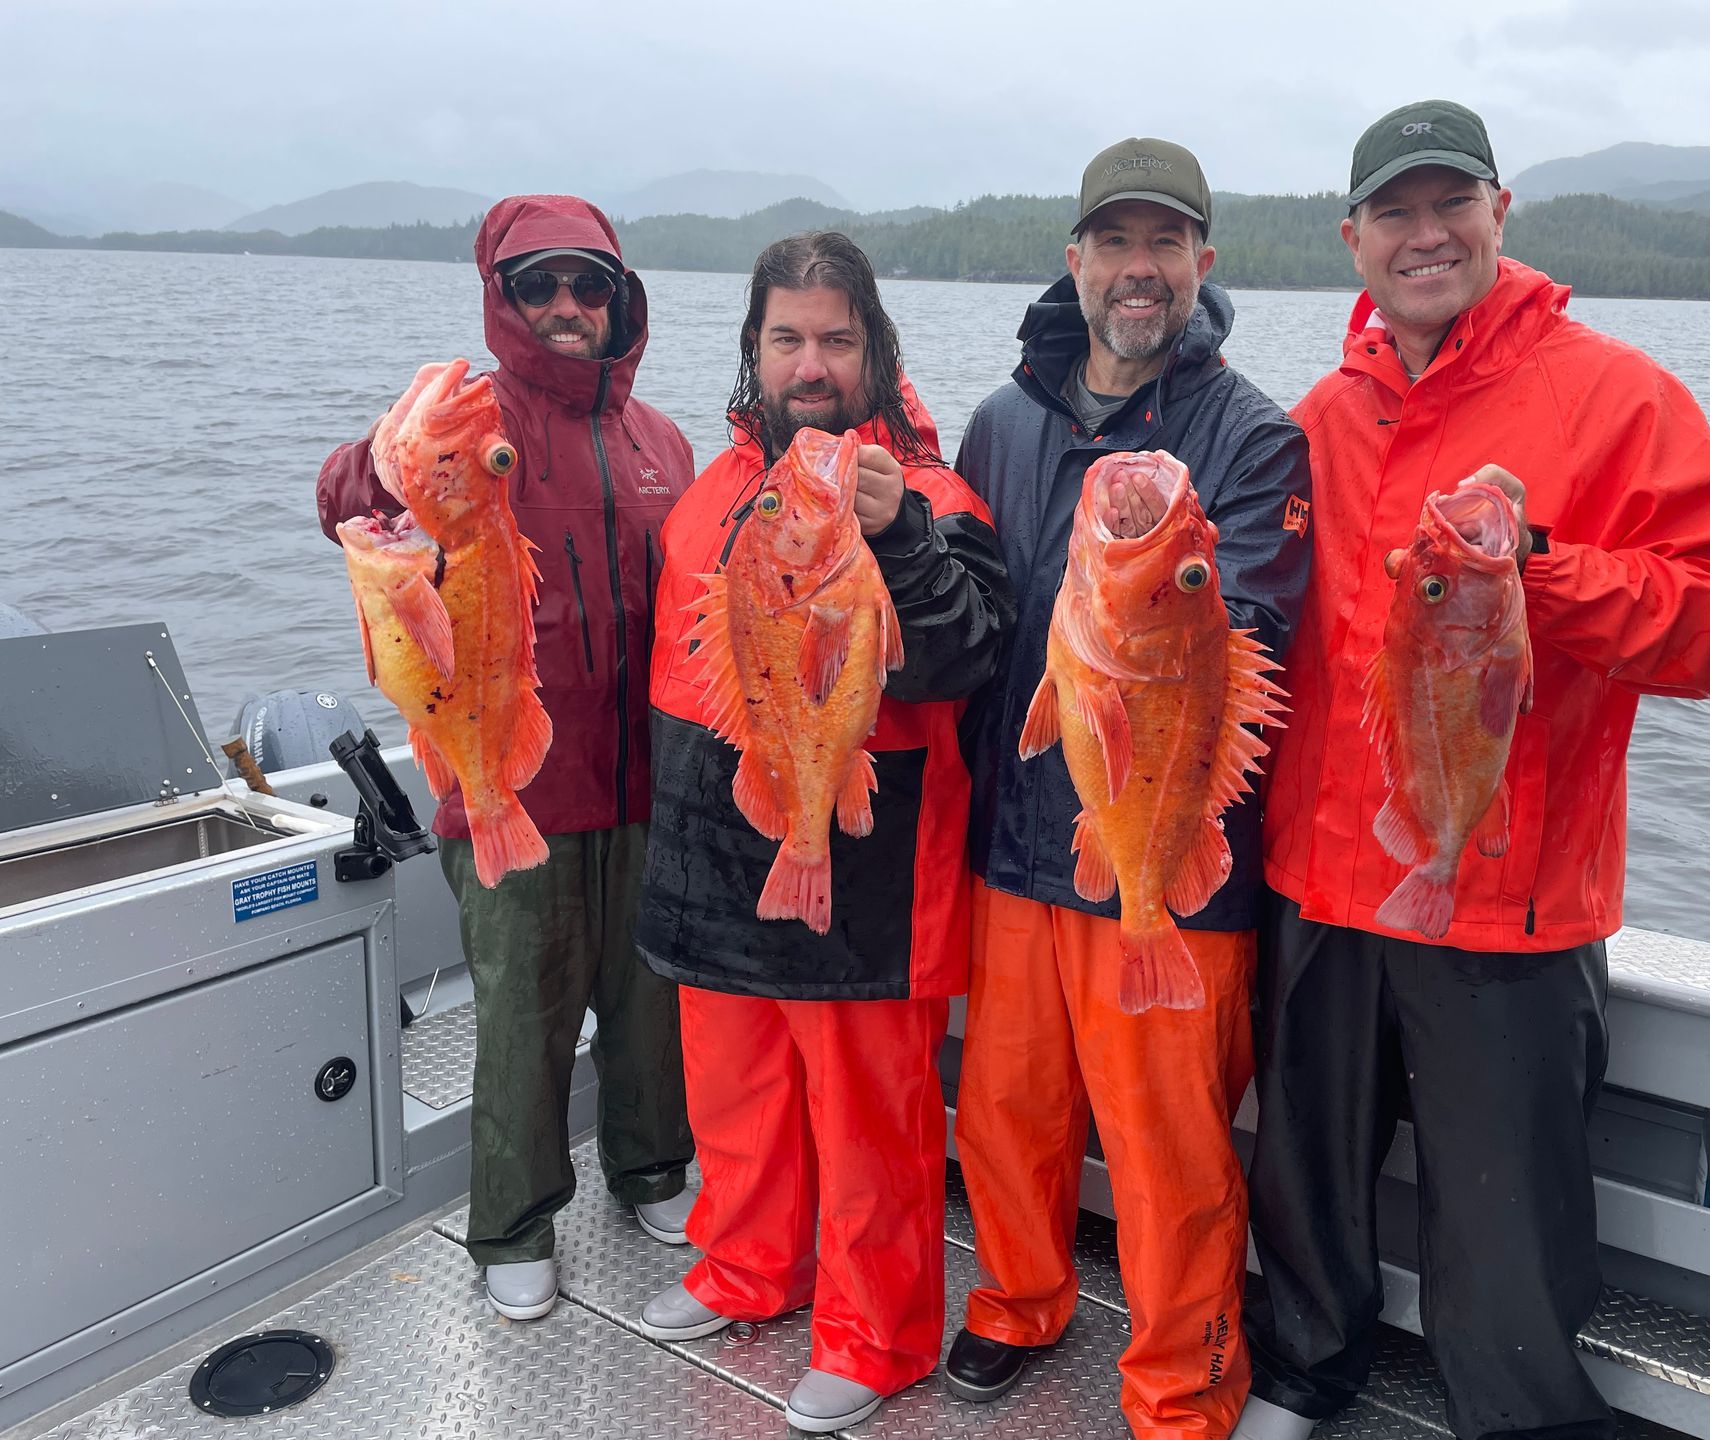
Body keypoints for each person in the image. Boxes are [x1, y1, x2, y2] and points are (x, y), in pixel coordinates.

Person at [1240, 102, 1710, 1440]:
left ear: (1501, 210)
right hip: (1319, 886)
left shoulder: (1618, 395)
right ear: (1352, 237)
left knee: (1508, 1226)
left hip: (1506, 888)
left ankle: (1523, 1419)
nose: (1426, 235)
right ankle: (1304, 1373)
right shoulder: (1315, 418)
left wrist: (1538, 573)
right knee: (1304, 1183)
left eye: (1451, 204)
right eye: (1395, 212)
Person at [946, 138, 1312, 1440]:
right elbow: (973, 616)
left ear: (1204, 265)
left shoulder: (1254, 435)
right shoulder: (1002, 422)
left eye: (1166, 244)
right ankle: (1018, 1301)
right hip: (1019, 842)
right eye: (1116, 242)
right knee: (1005, 1108)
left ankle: (1180, 1390)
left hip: (1165, 834)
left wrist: (1148, 607)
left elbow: (1253, 626)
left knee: (1168, 1154)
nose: (1139, 269)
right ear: (1077, 262)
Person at [632, 231, 1014, 1434]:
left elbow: (967, 656)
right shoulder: (711, 486)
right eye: (787, 337)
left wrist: (899, 534)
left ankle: (877, 1332)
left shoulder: (934, 496)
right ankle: (744, 1268)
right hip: (712, 849)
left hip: (859, 858)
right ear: (753, 348)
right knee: (732, 1091)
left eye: (837, 338)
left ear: (875, 349)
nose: (812, 362)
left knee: (868, 1120)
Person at [316, 193, 698, 1323]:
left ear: (621, 299)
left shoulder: (664, 442)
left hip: (647, 787)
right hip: (504, 782)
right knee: (520, 1018)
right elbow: (340, 497)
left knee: (651, 1006)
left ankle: (653, 1169)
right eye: (540, 285)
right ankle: (514, 1224)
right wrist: (383, 471)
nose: (569, 306)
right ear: (502, 298)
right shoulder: (465, 420)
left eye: (591, 284)